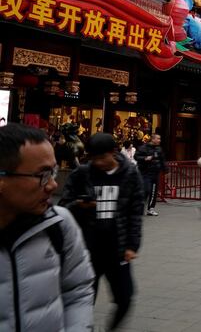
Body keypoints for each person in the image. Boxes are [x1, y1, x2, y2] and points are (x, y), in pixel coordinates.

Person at [0, 123, 95, 332]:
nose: (52, 185)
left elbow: (78, 291)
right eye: (42, 175)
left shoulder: (60, 225)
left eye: (53, 172)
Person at [60, 132, 144, 330]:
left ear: (113, 152)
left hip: (118, 247)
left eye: (101, 157)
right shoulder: (82, 174)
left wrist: (133, 245)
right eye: (93, 158)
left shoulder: (130, 174)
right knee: (84, 300)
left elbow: (135, 212)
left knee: (125, 298)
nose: (97, 163)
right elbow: (63, 206)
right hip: (87, 250)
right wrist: (79, 205)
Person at [135, 134, 165, 216]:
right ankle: (138, 207)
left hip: (155, 173)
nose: (159, 140)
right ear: (153, 139)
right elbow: (136, 156)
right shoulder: (143, 147)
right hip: (145, 173)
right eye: (158, 139)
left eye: (160, 138)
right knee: (146, 190)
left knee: (153, 192)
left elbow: (162, 160)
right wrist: (145, 158)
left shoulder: (159, 149)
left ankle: (150, 209)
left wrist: (166, 170)